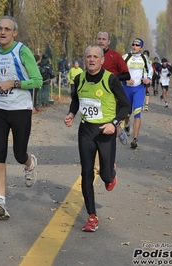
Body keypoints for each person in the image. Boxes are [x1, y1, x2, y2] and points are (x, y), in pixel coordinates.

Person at [64, 44, 130, 232]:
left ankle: (111, 173)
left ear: (102, 60)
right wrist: (71, 113)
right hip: (86, 131)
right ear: (84, 59)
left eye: (95, 57)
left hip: (105, 131)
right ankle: (92, 216)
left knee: (106, 177)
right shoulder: (79, 79)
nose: (91, 59)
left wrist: (114, 123)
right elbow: (77, 99)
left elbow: (126, 105)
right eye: (88, 56)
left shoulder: (111, 80)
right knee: (86, 172)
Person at [0, 15, 42, 220]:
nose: (3, 32)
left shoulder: (22, 51)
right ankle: (0, 199)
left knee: (19, 154)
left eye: (7, 29)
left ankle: (29, 162)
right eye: (0, 28)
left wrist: (14, 83)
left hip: (20, 108)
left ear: (14, 33)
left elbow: (37, 81)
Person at [95, 31, 130, 145]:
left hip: (113, 95)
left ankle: (111, 158)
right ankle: (118, 131)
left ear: (108, 42)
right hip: (96, 95)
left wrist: (112, 78)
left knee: (111, 125)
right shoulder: (92, 56)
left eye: (104, 39)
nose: (101, 41)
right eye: (99, 39)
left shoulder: (115, 56)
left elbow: (127, 75)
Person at [122, 38, 153, 149]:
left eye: (137, 45)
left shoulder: (144, 58)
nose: (134, 46)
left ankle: (135, 139)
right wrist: (125, 79)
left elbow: (150, 70)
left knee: (137, 112)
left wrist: (148, 79)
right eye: (133, 44)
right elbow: (118, 71)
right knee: (127, 113)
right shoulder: (125, 57)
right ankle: (126, 124)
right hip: (126, 88)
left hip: (139, 88)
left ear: (141, 48)